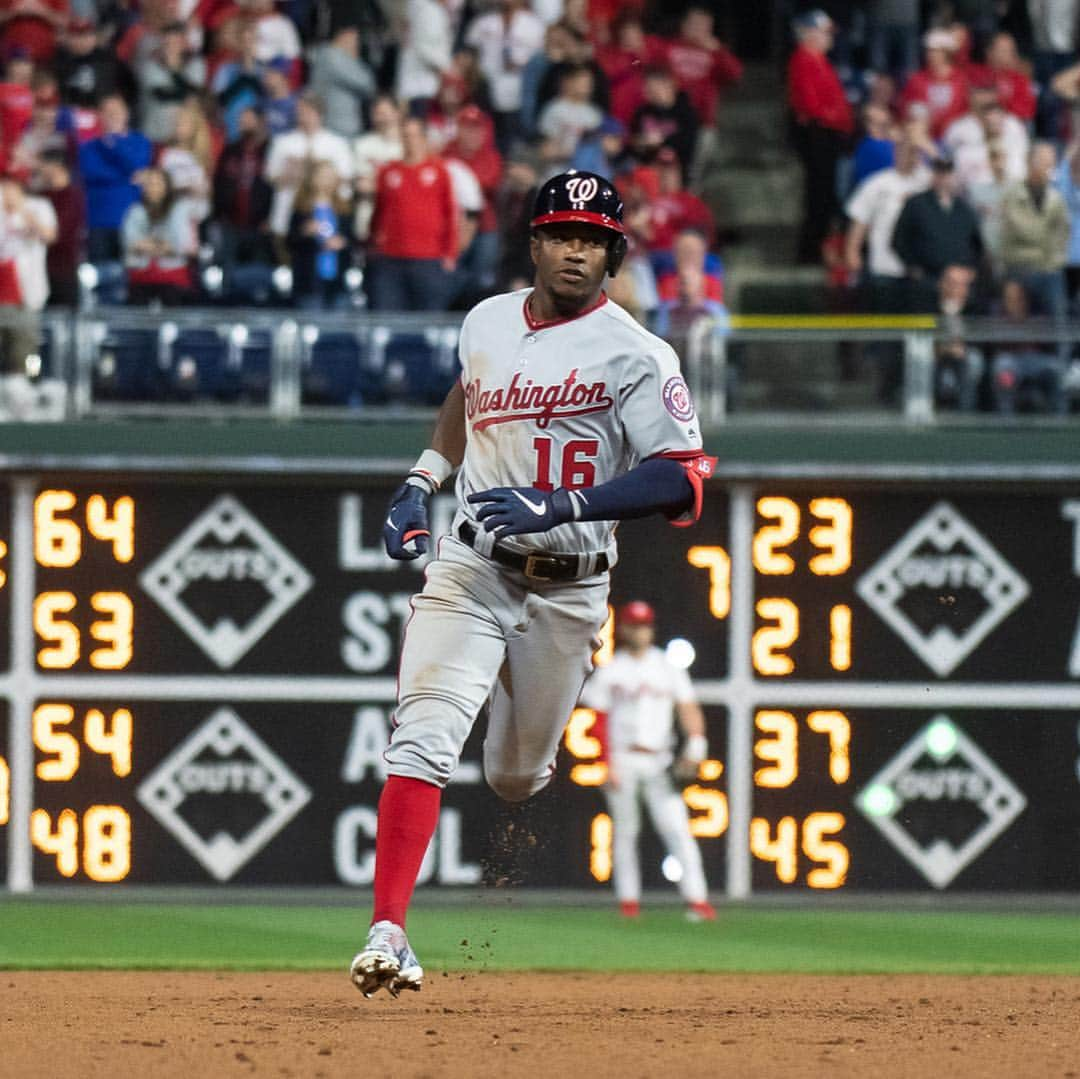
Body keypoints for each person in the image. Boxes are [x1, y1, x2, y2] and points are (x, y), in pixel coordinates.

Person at [349, 169, 716, 998]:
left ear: (614, 254)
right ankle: (388, 929)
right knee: (423, 735)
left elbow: (683, 478)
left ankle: (516, 739)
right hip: (474, 562)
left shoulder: (636, 352)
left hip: (570, 587)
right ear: (536, 244)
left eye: (593, 239)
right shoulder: (485, 320)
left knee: (516, 775)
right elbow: (466, 394)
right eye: (561, 234)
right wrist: (421, 478)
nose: (576, 250)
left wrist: (565, 502)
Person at [578, 600, 714, 920]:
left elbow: (688, 709)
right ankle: (629, 903)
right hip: (622, 758)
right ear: (624, 628)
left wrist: (696, 747)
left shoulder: (667, 667)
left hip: (659, 760)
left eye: (646, 625)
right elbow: (597, 720)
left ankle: (698, 901)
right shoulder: (612, 670)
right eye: (635, 625)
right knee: (626, 833)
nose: (641, 630)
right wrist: (604, 763)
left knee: (677, 829)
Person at [366, 116, 457, 310]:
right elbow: (378, 212)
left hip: (429, 258)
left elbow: (450, 214)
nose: (410, 141)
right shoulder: (388, 171)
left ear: (424, 139)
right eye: (406, 136)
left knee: (428, 318)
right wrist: (373, 243)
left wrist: (450, 253)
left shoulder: (439, 171)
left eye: (415, 136)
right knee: (389, 317)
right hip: (390, 257)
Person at [787, 9, 854, 264]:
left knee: (824, 194)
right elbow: (811, 105)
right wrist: (838, 118)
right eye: (824, 32)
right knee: (818, 193)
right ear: (809, 34)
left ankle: (817, 247)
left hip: (828, 134)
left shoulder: (820, 61)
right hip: (817, 133)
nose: (829, 38)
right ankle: (810, 250)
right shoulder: (803, 59)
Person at [891, 156, 983, 309]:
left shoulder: (964, 208)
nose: (943, 178)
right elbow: (898, 240)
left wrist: (968, 270)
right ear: (933, 175)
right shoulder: (916, 204)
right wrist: (914, 267)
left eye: (947, 173)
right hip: (928, 277)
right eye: (939, 173)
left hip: (960, 278)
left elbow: (976, 245)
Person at [264, 90, 353, 237]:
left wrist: (318, 169)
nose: (303, 115)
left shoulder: (337, 144)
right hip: (286, 216)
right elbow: (270, 176)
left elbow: (345, 179)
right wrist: (291, 172)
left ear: (319, 112)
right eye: (300, 110)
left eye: (308, 110)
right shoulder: (283, 143)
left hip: (325, 218)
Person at [78, 94, 153, 262]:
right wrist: (127, 177)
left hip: (132, 220)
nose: (112, 115)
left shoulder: (141, 142)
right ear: (100, 115)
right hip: (98, 222)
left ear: (126, 113)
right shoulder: (88, 147)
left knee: (131, 275)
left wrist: (113, 143)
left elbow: (137, 164)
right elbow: (91, 173)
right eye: (107, 111)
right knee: (99, 276)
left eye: (117, 110)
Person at [1000, 141, 1069, 321]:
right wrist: (1044, 234)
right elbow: (1022, 230)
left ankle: (1062, 348)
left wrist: (1053, 260)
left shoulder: (1056, 198)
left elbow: (1063, 233)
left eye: (1052, 164)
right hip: (1018, 266)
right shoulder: (1013, 194)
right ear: (1031, 163)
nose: (1050, 169)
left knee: (1059, 304)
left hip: (1048, 267)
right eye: (1046, 163)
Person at [120, 165, 197, 304]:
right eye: (149, 184)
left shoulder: (179, 211)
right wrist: (162, 247)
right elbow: (130, 243)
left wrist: (150, 246)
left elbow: (181, 244)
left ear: (167, 187)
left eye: (158, 184)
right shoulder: (135, 212)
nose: (153, 188)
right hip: (141, 276)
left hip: (172, 278)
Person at [287, 160, 352, 309]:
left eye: (329, 176)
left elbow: (352, 241)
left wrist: (342, 243)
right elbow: (290, 242)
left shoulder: (344, 209)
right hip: (309, 279)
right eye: (322, 175)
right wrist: (305, 232)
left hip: (336, 280)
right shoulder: (301, 209)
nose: (325, 180)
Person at [308, 25, 375, 140]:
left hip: (336, 123)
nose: (356, 44)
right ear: (344, 35)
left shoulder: (326, 55)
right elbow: (367, 83)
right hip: (338, 124)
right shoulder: (332, 55)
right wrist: (354, 59)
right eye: (355, 39)